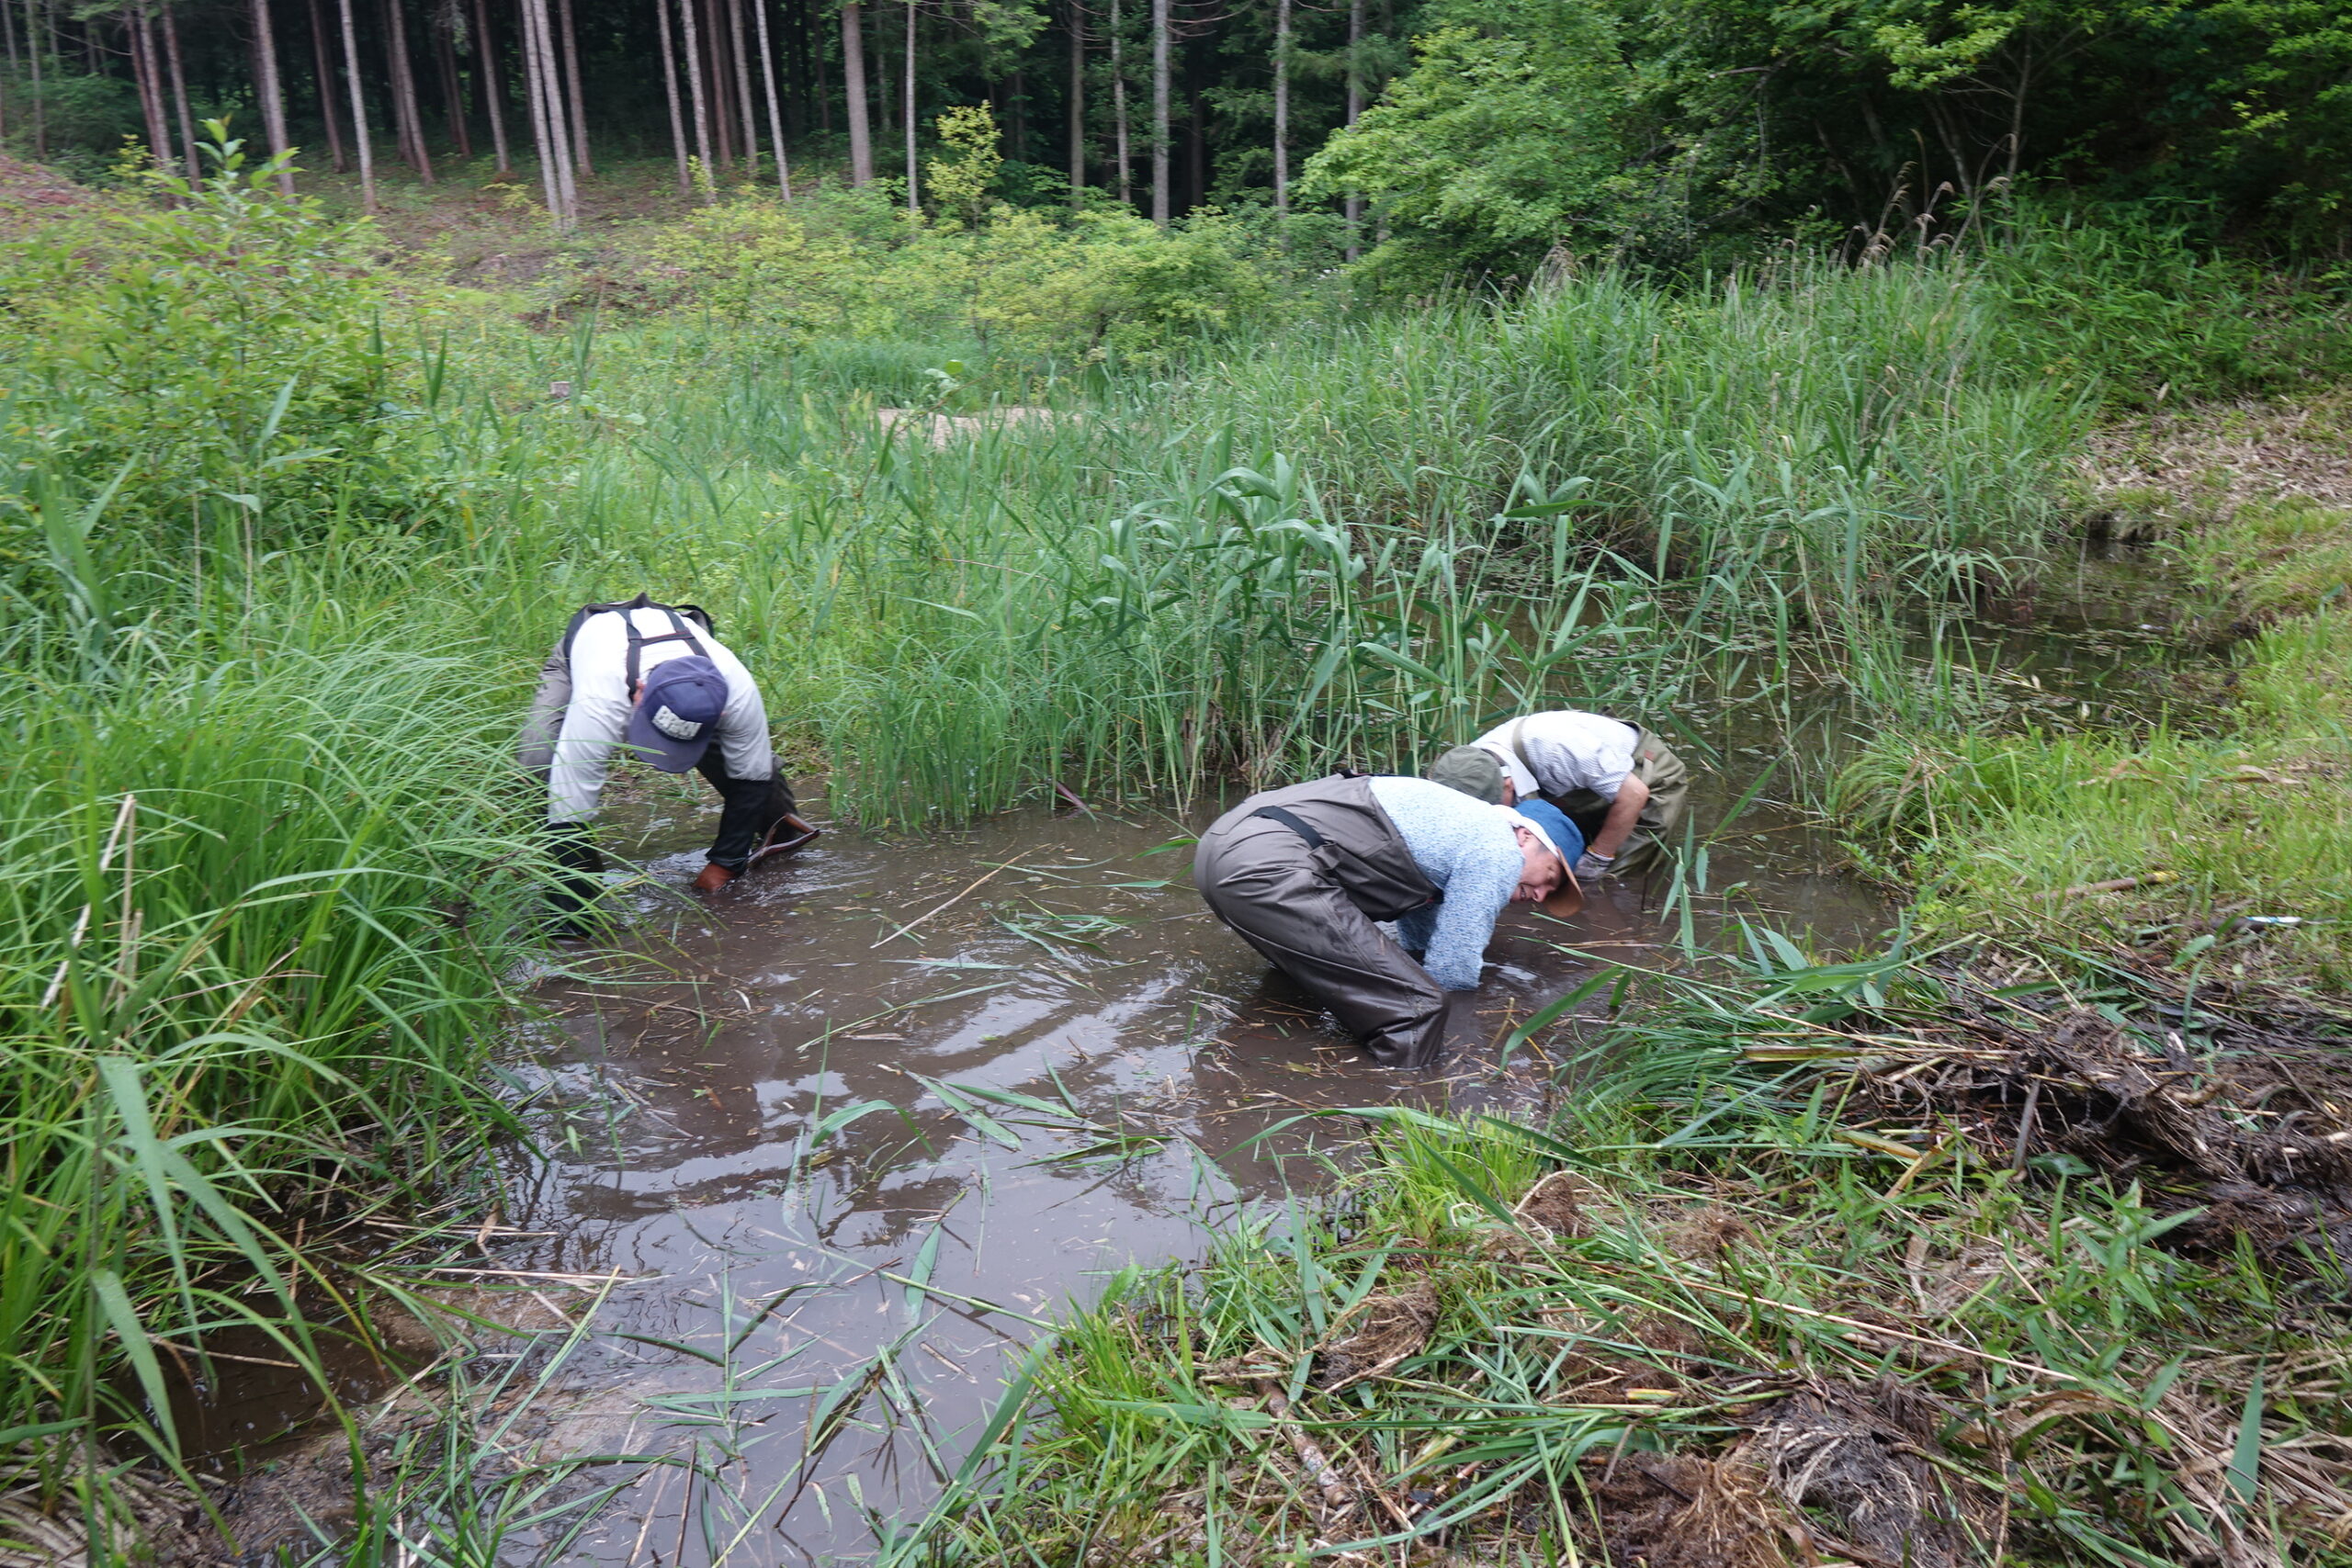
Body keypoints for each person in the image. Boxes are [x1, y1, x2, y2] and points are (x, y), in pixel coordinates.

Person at [1193, 773, 1583, 1069]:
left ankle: (1262, 1063)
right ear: (1525, 839)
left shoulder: (1454, 829)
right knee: (1420, 1009)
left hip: (1220, 849)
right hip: (1267, 866)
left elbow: (1418, 942)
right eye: (1549, 877)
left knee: (1313, 978)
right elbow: (1453, 970)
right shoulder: (1498, 852)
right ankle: (1401, 1106)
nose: (1541, 896)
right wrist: (1466, 1042)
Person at [517, 594, 815, 916]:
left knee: (756, 770)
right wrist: (575, 919)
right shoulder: (600, 701)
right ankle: (582, 883)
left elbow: (751, 777)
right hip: (585, 653)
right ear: (641, 692)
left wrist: (724, 866)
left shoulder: (736, 688)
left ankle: (782, 843)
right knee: (539, 762)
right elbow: (569, 812)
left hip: (682, 662)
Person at [1426, 709, 1688, 879]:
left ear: (1507, 785)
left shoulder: (1561, 749)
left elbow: (1634, 794)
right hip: (1576, 782)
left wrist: (1597, 859)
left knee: (1611, 877)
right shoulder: (1469, 765)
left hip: (1643, 772)